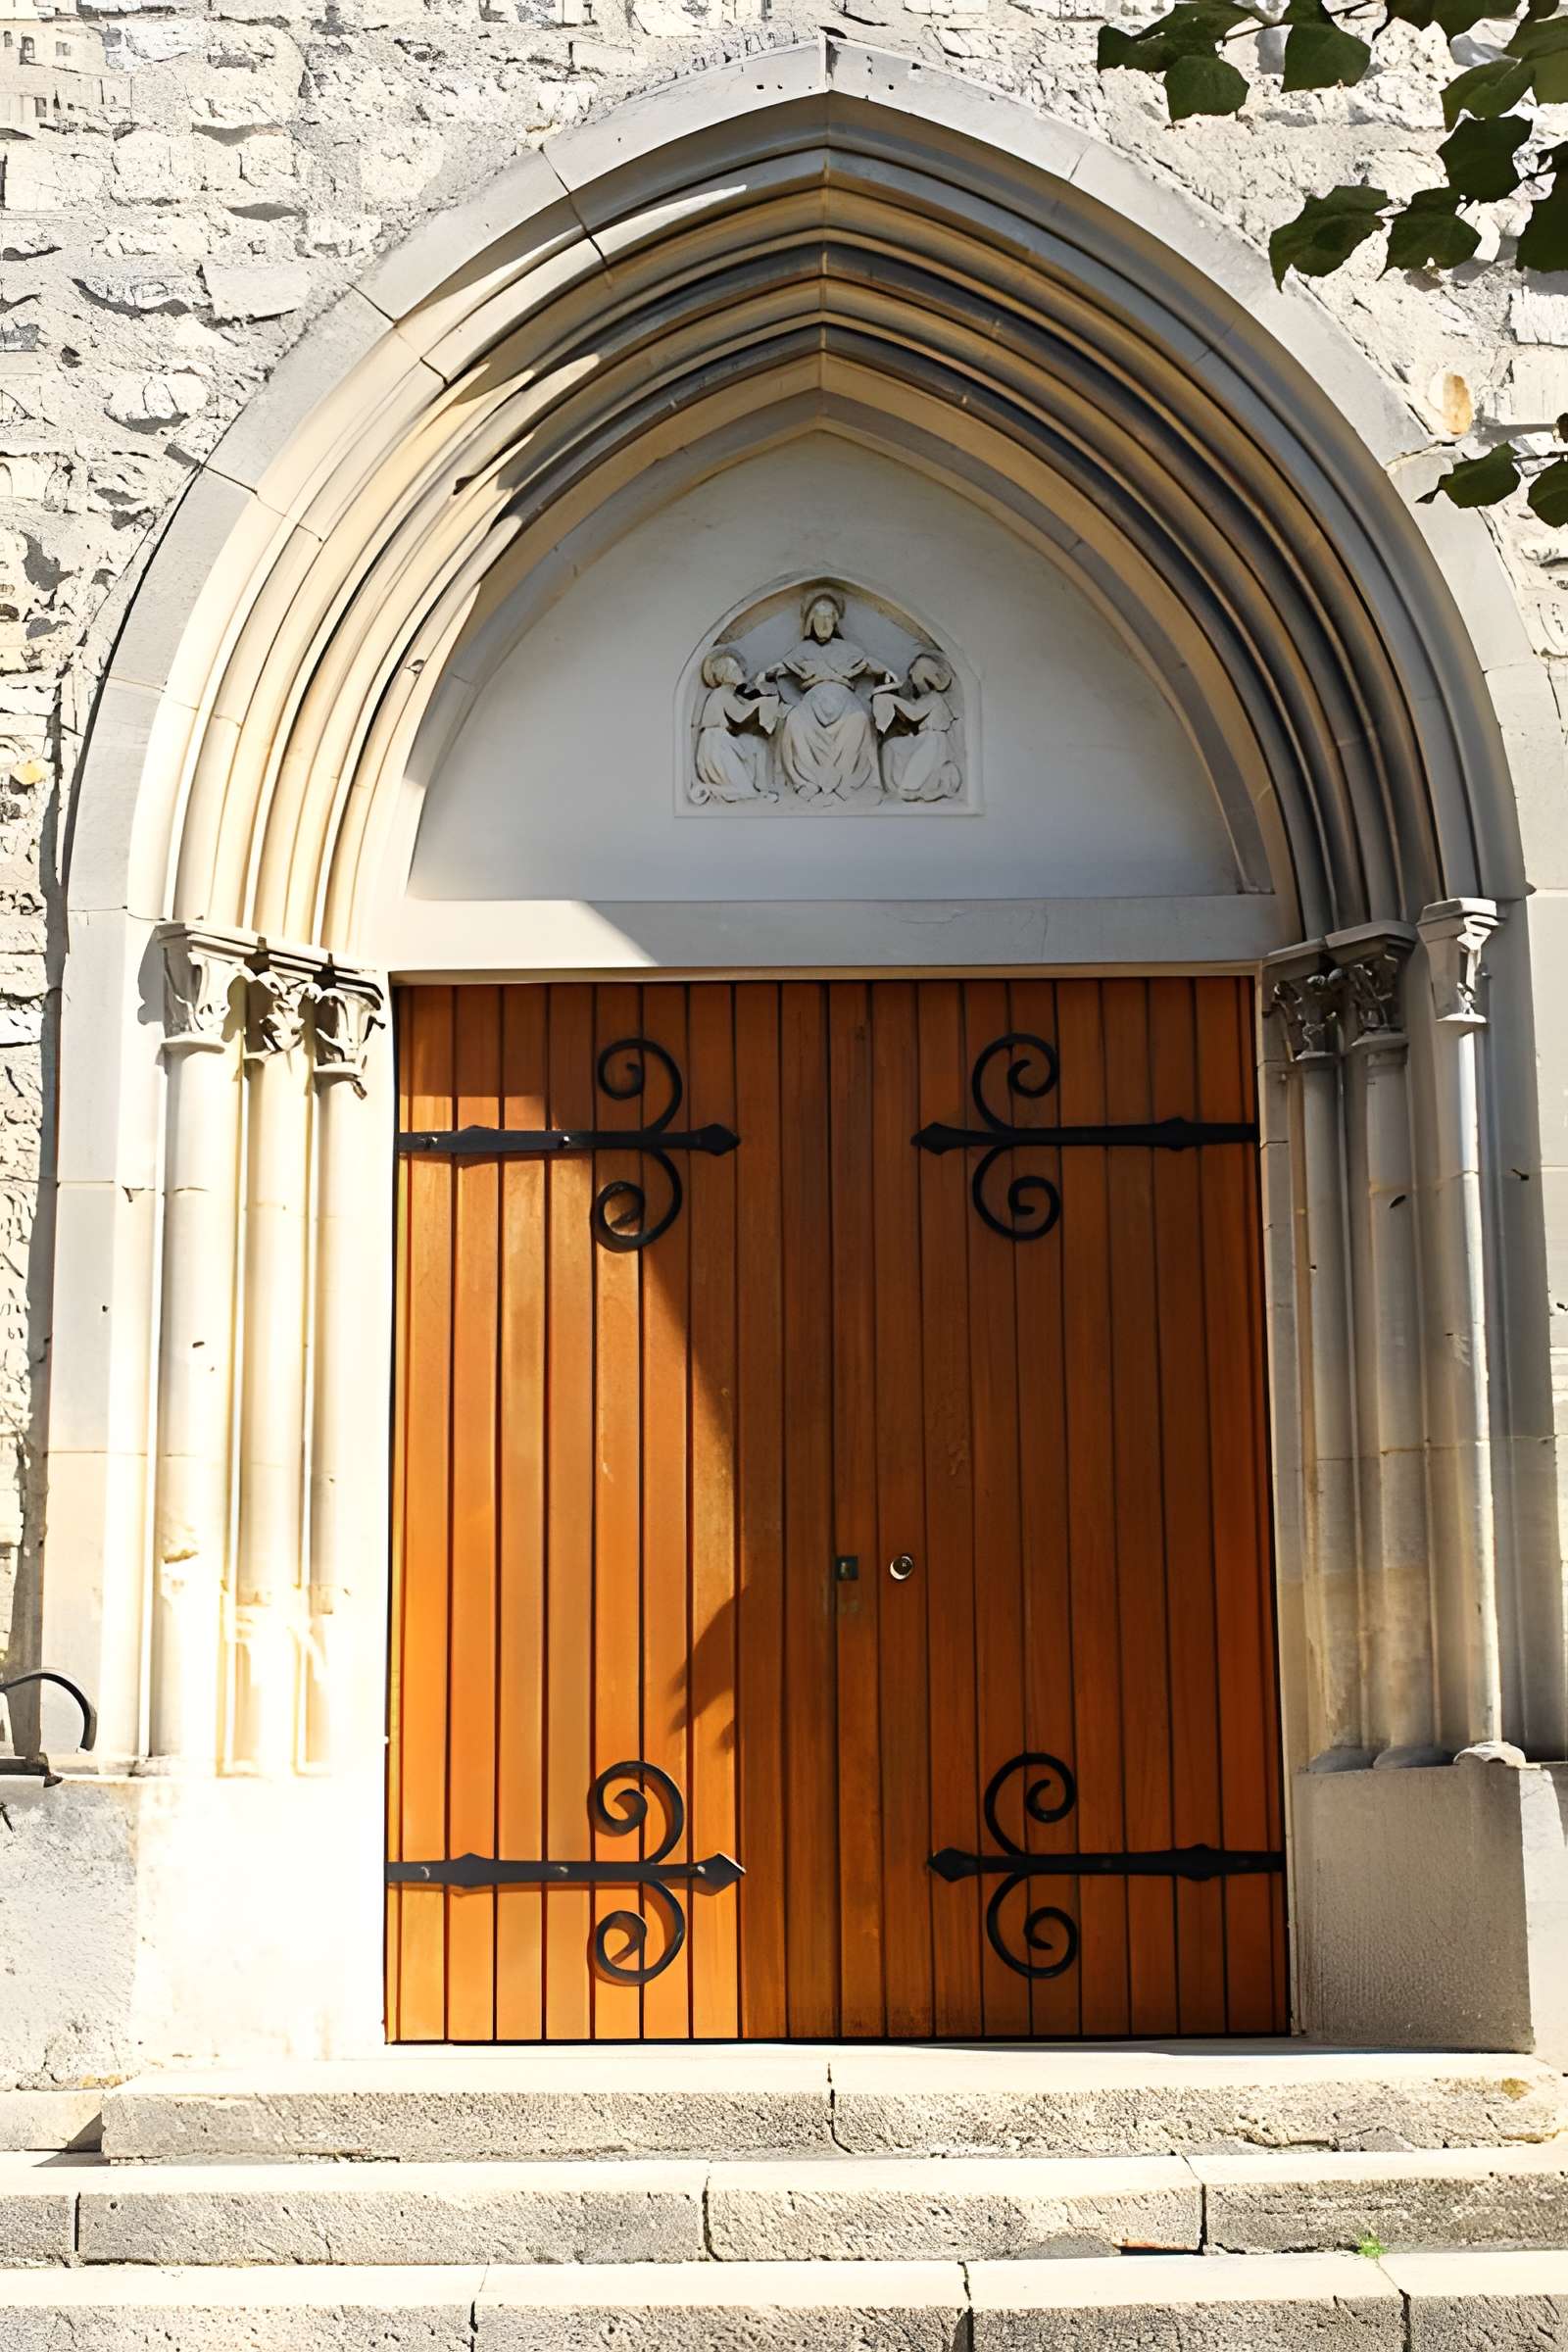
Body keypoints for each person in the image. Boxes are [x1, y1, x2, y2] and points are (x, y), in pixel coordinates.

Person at [757, 590, 896, 801]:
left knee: (859, 721)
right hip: (811, 705)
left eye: (828, 618)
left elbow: (868, 664)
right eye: (819, 618)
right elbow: (782, 668)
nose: (824, 624)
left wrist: (886, 671)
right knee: (794, 721)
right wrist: (764, 674)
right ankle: (805, 782)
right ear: (811, 621)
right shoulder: (803, 649)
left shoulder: (847, 648)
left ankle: (845, 782)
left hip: (845, 704)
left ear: (835, 620)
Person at [690, 650, 780, 804]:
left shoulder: (729, 692)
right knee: (743, 791)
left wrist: (760, 688)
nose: (740, 672)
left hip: (723, 740)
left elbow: (747, 701)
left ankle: (762, 788)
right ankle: (707, 789)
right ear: (725, 675)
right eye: (734, 669)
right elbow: (740, 714)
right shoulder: (722, 692)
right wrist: (759, 702)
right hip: (716, 745)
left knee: (758, 745)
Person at [873, 654, 962, 803]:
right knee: (890, 745)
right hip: (923, 738)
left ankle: (909, 787)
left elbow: (914, 715)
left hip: (934, 739)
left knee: (920, 758)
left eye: (914, 680)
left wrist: (891, 699)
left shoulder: (933, 698)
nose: (912, 684)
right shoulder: (923, 699)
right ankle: (892, 785)